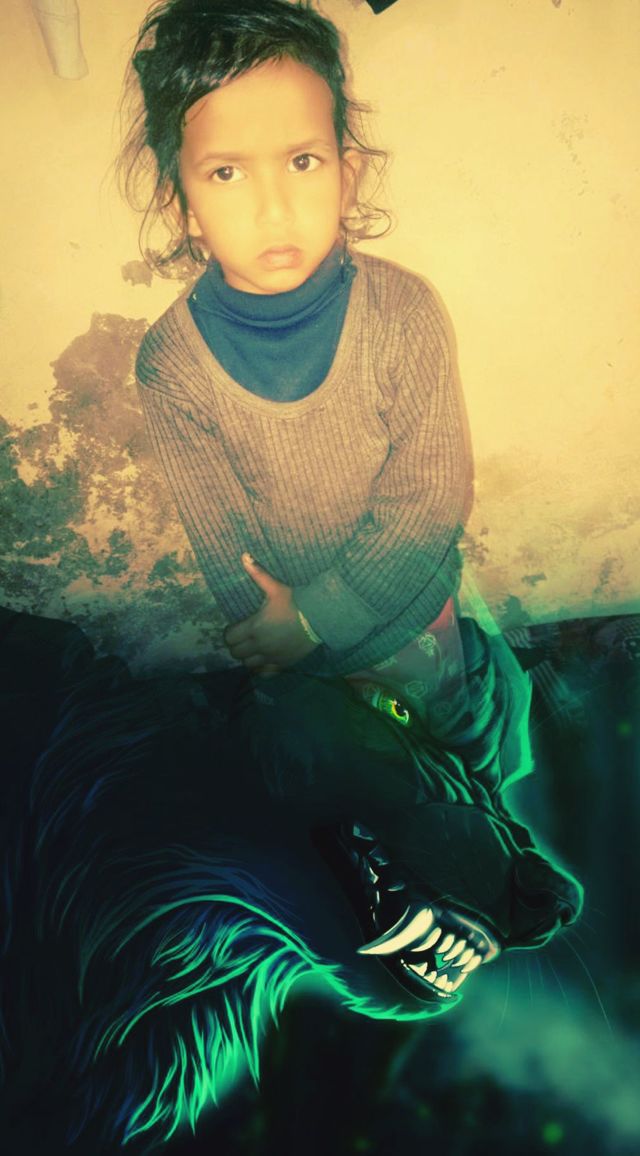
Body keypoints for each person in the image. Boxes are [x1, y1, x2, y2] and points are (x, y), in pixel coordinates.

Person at [120, 0, 474, 728]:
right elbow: (219, 535)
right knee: (345, 769)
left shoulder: (403, 313)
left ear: (346, 176)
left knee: (445, 743)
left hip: (411, 618)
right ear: (180, 203)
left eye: (302, 161)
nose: (274, 208)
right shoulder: (171, 365)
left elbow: (431, 495)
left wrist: (319, 616)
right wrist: (277, 632)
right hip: (291, 643)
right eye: (226, 172)